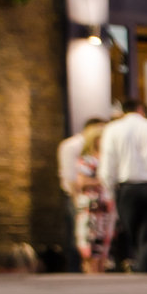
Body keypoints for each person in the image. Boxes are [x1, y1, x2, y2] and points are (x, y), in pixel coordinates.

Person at [98, 106, 147, 273]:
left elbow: (107, 166)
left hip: (127, 188)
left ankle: (143, 267)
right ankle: (146, 266)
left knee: (132, 230)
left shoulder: (113, 129)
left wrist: (110, 189)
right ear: (141, 110)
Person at [59, 117, 111, 275]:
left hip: (104, 203)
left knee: (102, 239)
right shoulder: (75, 149)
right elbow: (74, 180)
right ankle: (80, 270)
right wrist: (77, 199)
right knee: (86, 238)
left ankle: (100, 268)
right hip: (88, 203)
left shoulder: (106, 157)